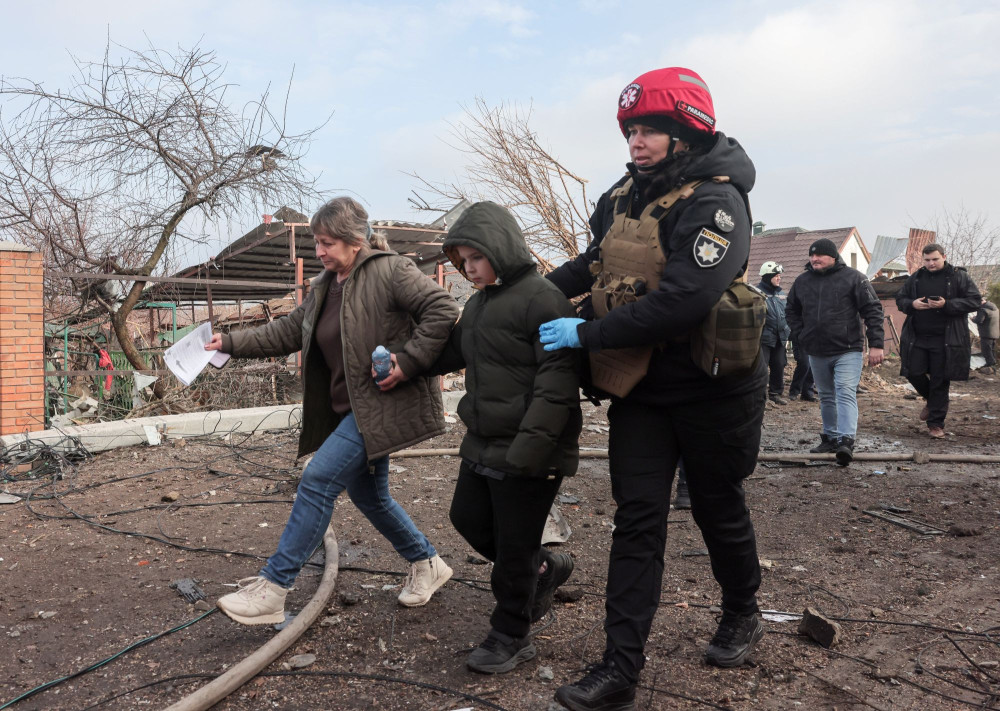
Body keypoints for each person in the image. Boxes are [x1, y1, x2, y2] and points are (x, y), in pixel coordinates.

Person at [540, 67, 767, 711]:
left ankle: (742, 609)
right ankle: (619, 668)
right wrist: (524, 295)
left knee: (717, 506)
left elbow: (683, 301)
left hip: (713, 387)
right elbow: (591, 262)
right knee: (637, 521)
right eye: (631, 130)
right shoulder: (622, 195)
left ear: (685, 131)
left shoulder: (717, 203)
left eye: (650, 130)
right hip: (642, 387)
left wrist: (583, 333)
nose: (637, 142)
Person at [207, 196, 460, 625]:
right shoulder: (325, 284)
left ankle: (274, 587)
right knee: (369, 495)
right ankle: (427, 562)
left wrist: (409, 360)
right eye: (317, 243)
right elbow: (289, 331)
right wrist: (229, 343)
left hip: (380, 405)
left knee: (318, 478)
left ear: (353, 240)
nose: (319, 252)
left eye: (326, 243)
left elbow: (443, 308)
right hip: (349, 409)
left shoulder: (391, 270)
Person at [419, 201, 582, 674]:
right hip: (485, 439)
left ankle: (512, 633)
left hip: (532, 449)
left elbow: (557, 382)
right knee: (467, 518)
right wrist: (404, 363)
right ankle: (545, 569)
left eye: (476, 258)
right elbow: (449, 352)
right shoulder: (479, 303)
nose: (468, 269)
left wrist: (530, 451)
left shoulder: (543, 298)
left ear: (501, 248)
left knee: (513, 545)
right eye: (462, 261)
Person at [785, 238, 884, 465]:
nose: (814, 259)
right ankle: (830, 437)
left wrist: (876, 344)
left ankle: (846, 441)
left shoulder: (855, 279)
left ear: (833, 256)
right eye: (812, 255)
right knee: (827, 395)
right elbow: (791, 310)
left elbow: (873, 310)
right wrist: (802, 334)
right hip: (817, 350)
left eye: (819, 255)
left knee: (844, 390)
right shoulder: (802, 282)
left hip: (847, 349)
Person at [895, 244, 981, 437]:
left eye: (934, 259)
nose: (931, 263)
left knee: (939, 380)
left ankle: (936, 424)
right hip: (917, 337)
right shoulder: (916, 278)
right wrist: (912, 304)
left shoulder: (959, 277)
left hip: (946, 339)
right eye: (927, 260)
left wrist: (947, 304)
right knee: (913, 371)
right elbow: (900, 299)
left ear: (944, 256)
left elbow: (975, 300)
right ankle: (932, 401)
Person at [758, 261, 790, 405]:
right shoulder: (757, 294)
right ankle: (759, 395)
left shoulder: (781, 295)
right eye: (776, 276)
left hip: (780, 338)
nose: (779, 278)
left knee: (779, 365)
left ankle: (775, 393)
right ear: (767, 276)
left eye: (780, 276)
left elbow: (788, 314)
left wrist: (788, 329)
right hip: (764, 338)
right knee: (761, 367)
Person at [787, 334, 817, 401]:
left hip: (813, 338)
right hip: (800, 339)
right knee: (804, 364)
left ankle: (807, 393)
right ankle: (794, 391)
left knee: (811, 366)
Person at [973, 297, 998, 374]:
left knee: (986, 350)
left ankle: (991, 365)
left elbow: (979, 320)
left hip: (986, 333)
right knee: (992, 350)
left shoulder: (983, 310)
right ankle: (993, 365)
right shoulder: (995, 309)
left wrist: (973, 318)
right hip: (995, 333)